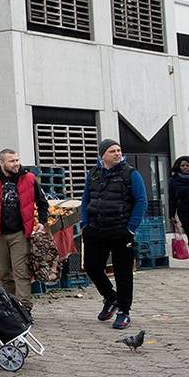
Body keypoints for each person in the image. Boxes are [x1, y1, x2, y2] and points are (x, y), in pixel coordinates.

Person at [81, 139, 147, 330]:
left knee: (123, 273)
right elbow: (85, 199)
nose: (117, 154)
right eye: (112, 151)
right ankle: (111, 297)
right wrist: (85, 224)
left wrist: (130, 228)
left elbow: (141, 201)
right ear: (102, 155)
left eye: (119, 150)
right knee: (91, 266)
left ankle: (124, 311)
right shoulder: (93, 174)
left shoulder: (130, 174)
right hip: (95, 229)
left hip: (121, 231)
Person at [0, 149, 50, 304]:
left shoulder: (28, 178)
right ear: (2, 162)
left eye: (17, 160)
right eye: (12, 161)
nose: (16, 164)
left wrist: (42, 222)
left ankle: (25, 306)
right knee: (3, 273)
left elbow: (42, 202)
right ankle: (10, 305)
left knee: (21, 271)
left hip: (20, 233)